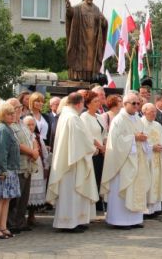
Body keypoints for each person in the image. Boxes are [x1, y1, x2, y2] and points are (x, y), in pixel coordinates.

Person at [48, 93, 99, 232]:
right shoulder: (72, 117)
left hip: (70, 159)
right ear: (78, 104)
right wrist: (93, 149)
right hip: (72, 161)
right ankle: (69, 223)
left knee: (72, 192)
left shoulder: (66, 115)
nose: (83, 106)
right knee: (71, 192)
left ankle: (77, 220)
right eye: (83, 103)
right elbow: (80, 139)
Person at [100, 92, 151, 229]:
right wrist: (134, 138)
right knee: (122, 190)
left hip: (136, 159)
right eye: (133, 103)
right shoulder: (119, 120)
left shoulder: (138, 119)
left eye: (138, 103)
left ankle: (134, 220)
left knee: (135, 189)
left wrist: (143, 139)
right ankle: (119, 221)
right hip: (122, 163)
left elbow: (142, 136)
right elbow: (116, 142)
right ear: (125, 104)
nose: (136, 106)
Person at [0, 102, 21, 239]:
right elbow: (1, 151)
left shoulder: (9, 128)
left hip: (10, 168)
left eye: (13, 113)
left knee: (6, 198)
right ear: (2, 115)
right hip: (2, 169)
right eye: (9, 113)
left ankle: (3, 226)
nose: (12, 116)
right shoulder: (2, 129)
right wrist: (3, 170)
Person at [5, 99, 37, 234]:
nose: (19, 109)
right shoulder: (10, 125)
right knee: (15, 197)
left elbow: (32, 137)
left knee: (24, 197)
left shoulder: (22, 123)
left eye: (19, 107)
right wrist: (31, 152)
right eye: (17, 107)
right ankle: (12, 223)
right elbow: (16, 144)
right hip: (18, 165)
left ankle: (20, 222)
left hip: (28, 165)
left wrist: (35, 151)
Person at [79, 91, 106, 220]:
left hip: (101, 153)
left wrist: (105, 145)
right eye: (95, 101)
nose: (98, 103)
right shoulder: (84, 117)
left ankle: (97, 208)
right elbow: (88, 135)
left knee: (99, 179)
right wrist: (100, 147)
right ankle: (89, 211)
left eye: (98, 100)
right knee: (92, 180)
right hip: (92, 153)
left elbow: (103, 134)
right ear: (88, 104)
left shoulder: (99, 116)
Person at [141, 103, 162, 215]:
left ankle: (155, 208)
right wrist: (152, 147)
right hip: (146, 159)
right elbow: (139, 142)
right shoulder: (140, 123)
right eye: (151, 111)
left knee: (158, 182)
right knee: (147, 182)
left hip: (157, 158)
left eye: (155, 112)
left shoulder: (158, 125)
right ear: (144, 112)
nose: (154, 114)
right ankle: (145, 209)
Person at [24, 115, 48, 227]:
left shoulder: (38, 137)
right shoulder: (22, 136)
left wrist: (46, 166)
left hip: (37, 167)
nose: (30, 126)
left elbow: (44, 153)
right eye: (28, 124)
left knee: (35, 192)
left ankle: (32, 215)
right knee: (25, 193)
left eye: (32, 124)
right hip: (26, 165)